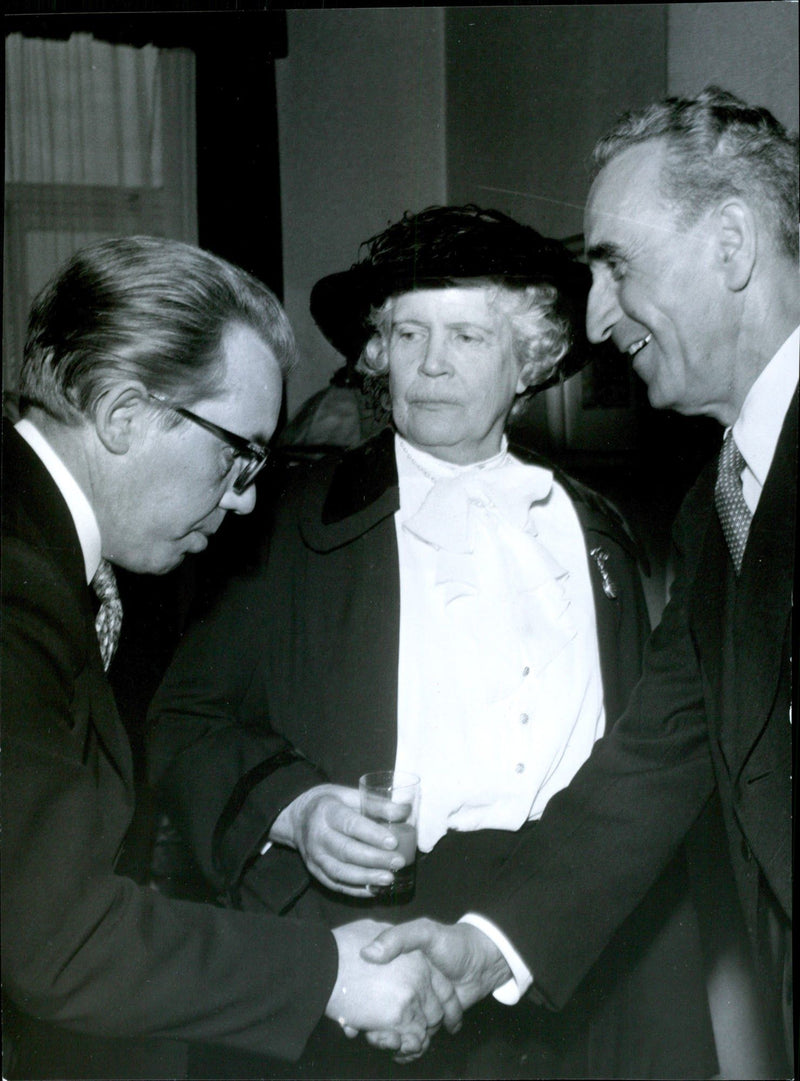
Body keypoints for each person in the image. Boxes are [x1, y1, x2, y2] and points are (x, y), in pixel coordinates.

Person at [148, 206, 715, 1079]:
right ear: (378, 353)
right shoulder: (291, 522)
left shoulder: (597, 530)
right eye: (409, 332)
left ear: (528, 358)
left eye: (468, 335)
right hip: (370, 938)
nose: (434, 363)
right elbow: (185, 719)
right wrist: (296, 810)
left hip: (566, 939)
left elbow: (648, 768)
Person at [361, 87, 797, 1078]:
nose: (595, 320)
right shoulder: (712, 508)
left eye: (614, 264)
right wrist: (482, 947)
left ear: (729, 244)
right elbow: (652, 763)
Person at [0, 236, 463, 1081]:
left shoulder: (48, 552)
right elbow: (59, 937)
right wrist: (327, 970)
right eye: (237, 451)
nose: (247, 496)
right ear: (124, 414)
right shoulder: (14, 585)